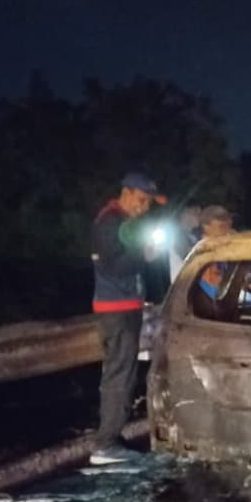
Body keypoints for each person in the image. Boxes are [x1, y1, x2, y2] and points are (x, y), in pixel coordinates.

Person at [90, 172, 165, 465]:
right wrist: (144, 255)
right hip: (116, 310)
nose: (144, 207)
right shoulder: (109, 221)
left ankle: (111, 437)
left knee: (124, 373)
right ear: (126, 192)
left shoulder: (124, 223)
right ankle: (105, 444)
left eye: (148, 203)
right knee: (119, 375)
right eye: (142, 200)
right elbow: (114, 266)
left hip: (127, 307)